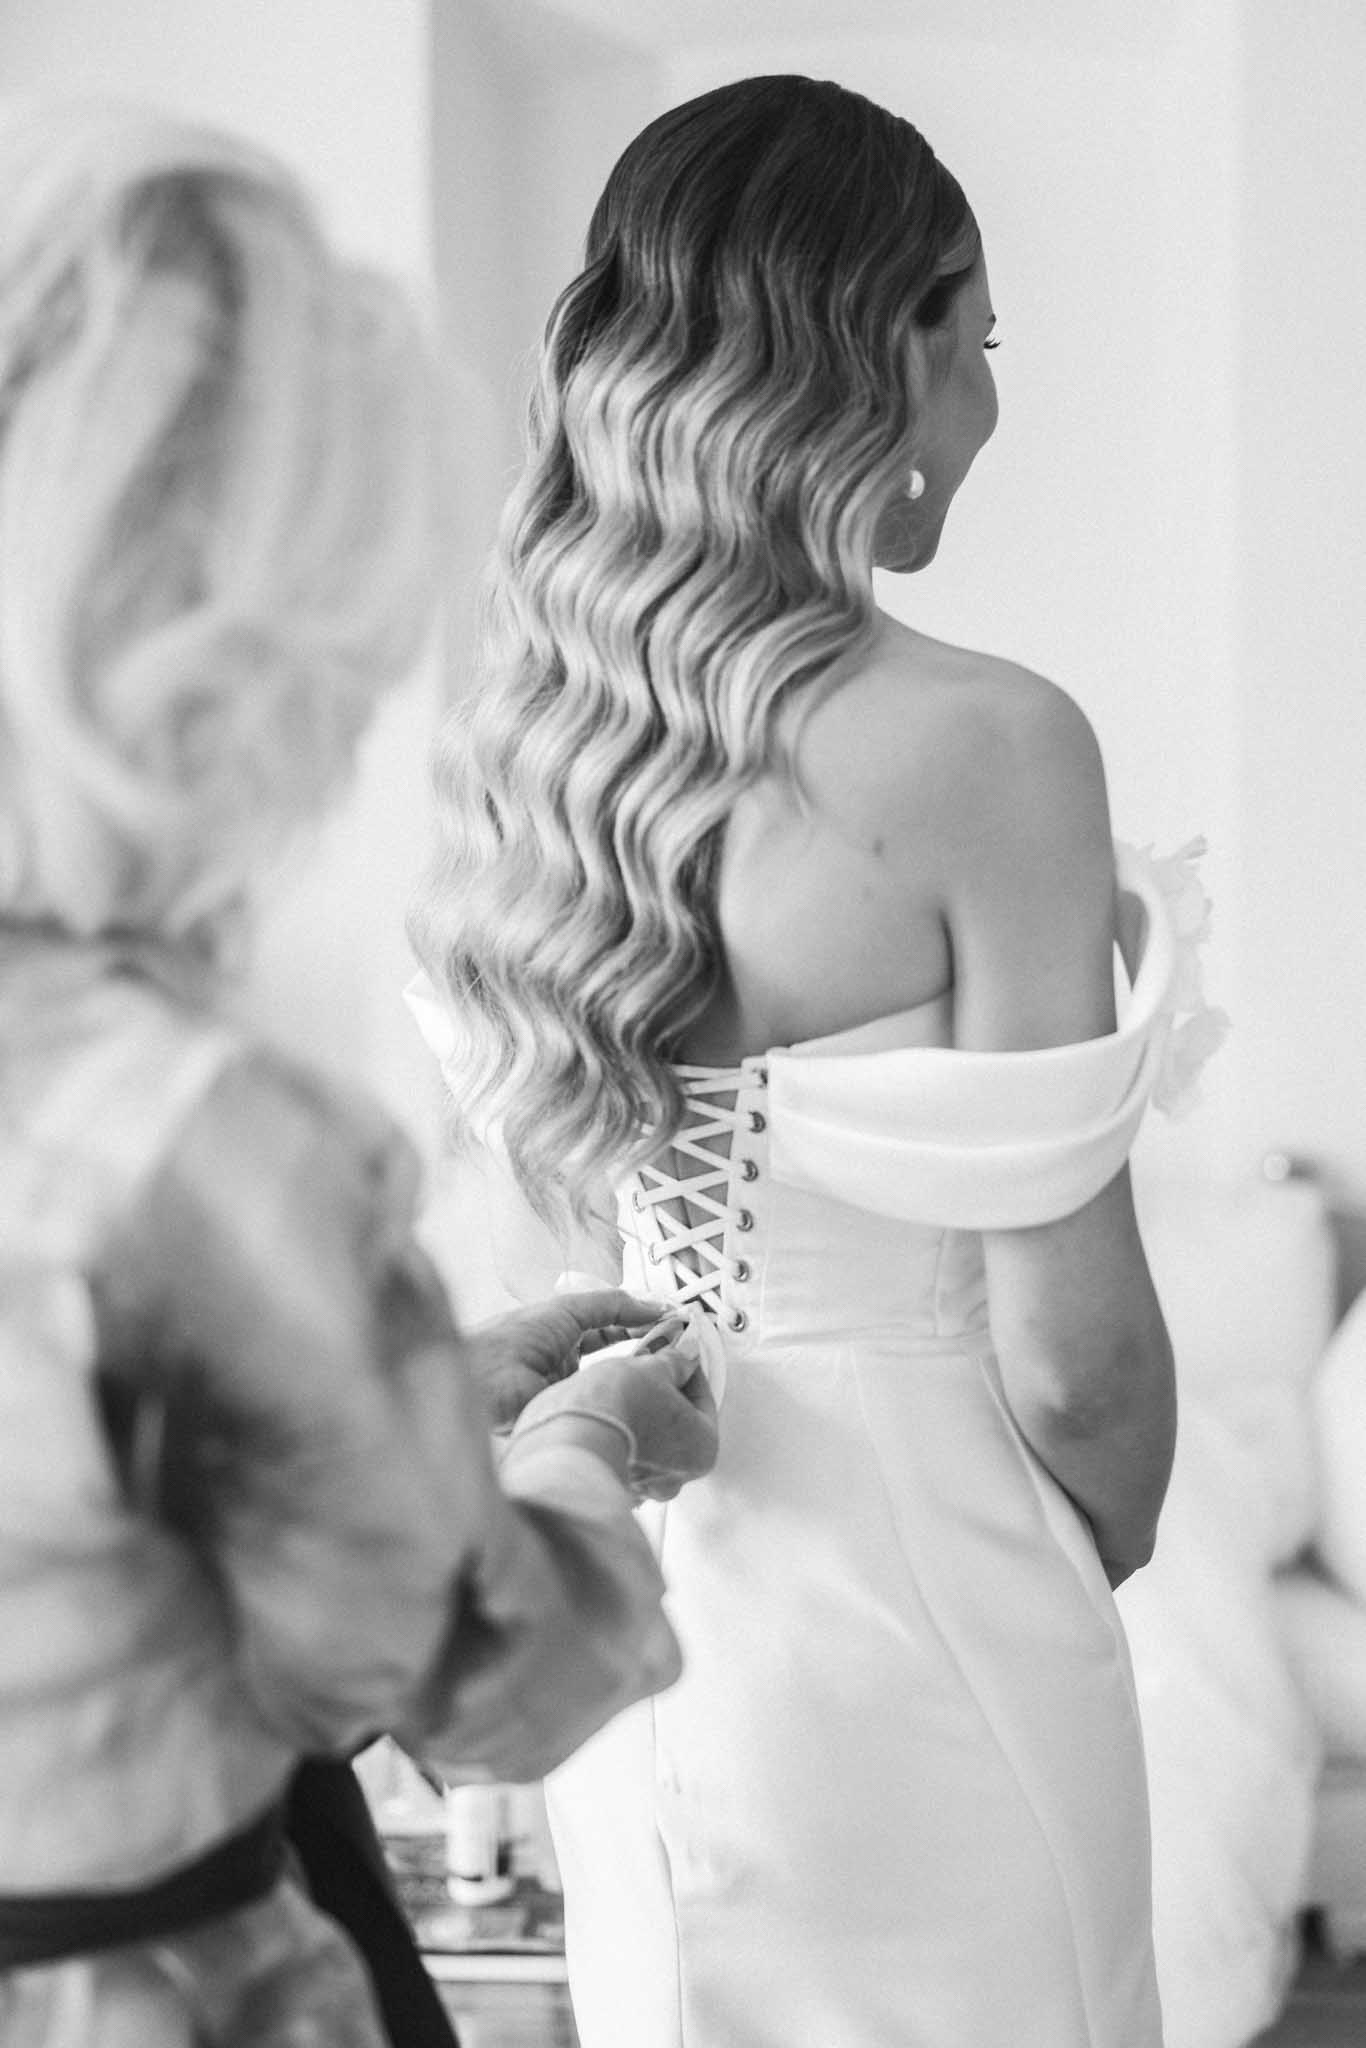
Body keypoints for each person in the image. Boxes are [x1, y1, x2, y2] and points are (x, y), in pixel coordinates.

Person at [410, 73, 1229, 2048]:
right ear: (899, 343)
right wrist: (1080, 1546)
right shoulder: (986, 744)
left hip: (638, 1596)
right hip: (936, 1610)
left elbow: (557, 1239)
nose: (988, 404)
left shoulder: (536, 751)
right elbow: (1077, 1357)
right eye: (985, 341)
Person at [0, 100, 716, 2048]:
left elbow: (100, 1503)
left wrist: (423, 1397)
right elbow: (477, 1665)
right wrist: (585, 1450)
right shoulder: (202, 1141)